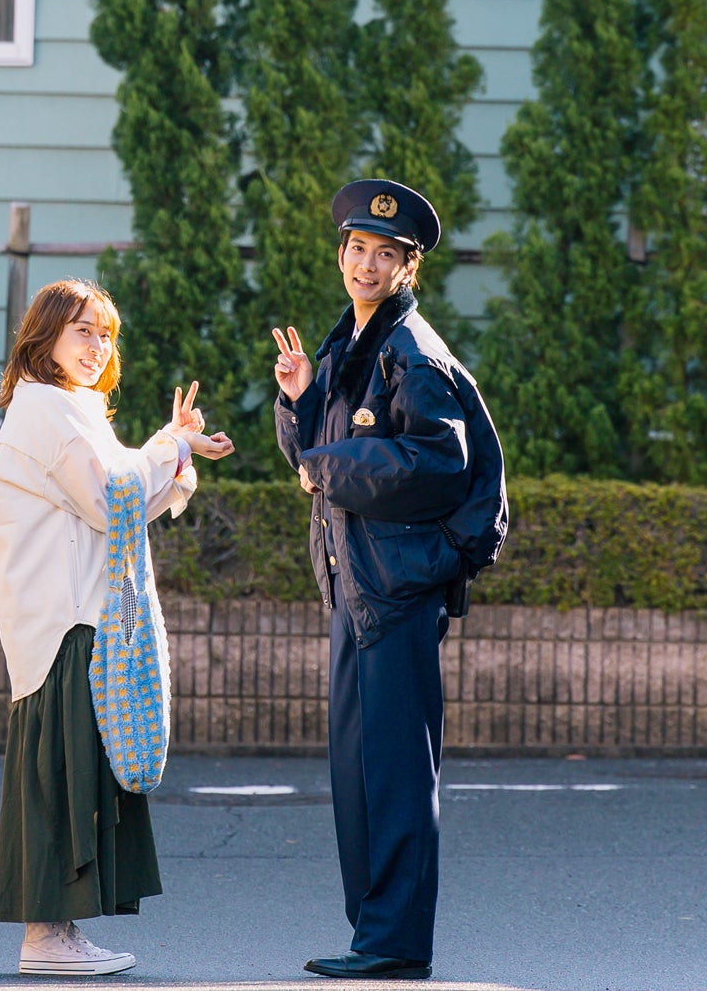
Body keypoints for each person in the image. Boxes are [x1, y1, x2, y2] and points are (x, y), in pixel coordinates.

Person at [271, 179, 507, 981]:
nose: (364, 264)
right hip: (359, 589)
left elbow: (439, 464)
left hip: (394, 593)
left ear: (409, 268)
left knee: (397, 772)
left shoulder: (411, 353)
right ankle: (375, 935)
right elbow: (317, 463)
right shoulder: (352, 345)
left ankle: (395, 943)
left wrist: (325, 462)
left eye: (383, 255)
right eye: (354, 249)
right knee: (359, 771)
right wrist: (302, 402)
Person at [0, 278, 234, 976]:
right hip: (65, 622)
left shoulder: (71, 408)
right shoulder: (44, 409)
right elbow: (109, 499)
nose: (98, 347)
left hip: (78, 616)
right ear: (45, 337)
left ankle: (57, 932)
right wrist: (168, 448)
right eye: (83, 331)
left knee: (75, 772)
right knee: (60, 772)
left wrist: (175, 452)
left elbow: (125, 500)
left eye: (106, 335)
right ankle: (44, 936)